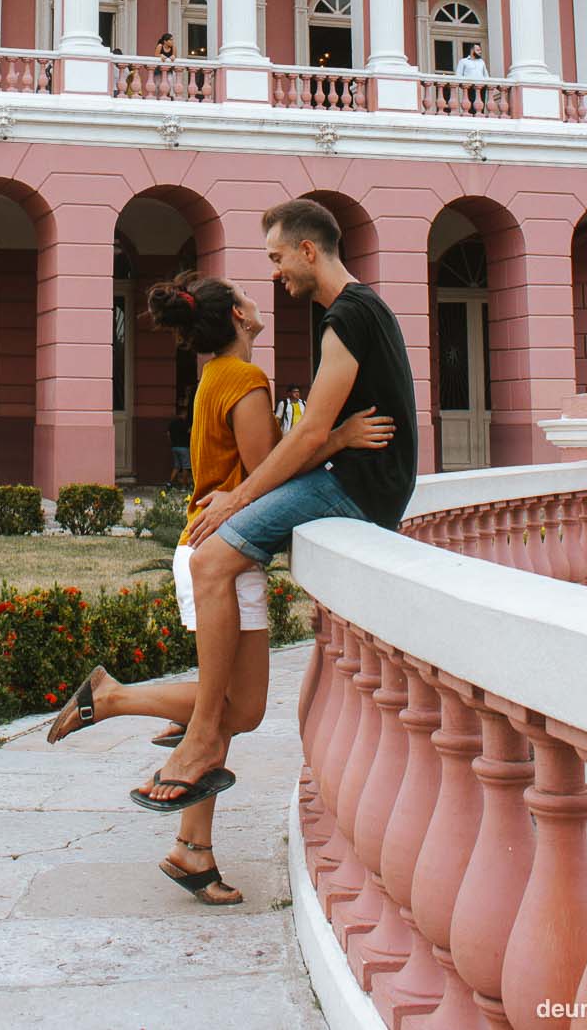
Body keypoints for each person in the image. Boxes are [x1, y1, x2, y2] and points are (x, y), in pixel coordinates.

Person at [45, 270, 390, 898]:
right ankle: (114, 698)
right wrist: (335, 436)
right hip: (221, 556)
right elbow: (267, 474)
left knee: (224, 711)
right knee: (239, 709)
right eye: (248, 295)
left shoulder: (214, 378)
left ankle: (192, 850)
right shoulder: (245, 380)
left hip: (204, 545)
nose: (262, 295)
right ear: (238, 314)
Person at [133, 197, 418, 810]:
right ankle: (203, 738)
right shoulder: (359, 309)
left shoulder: (346, 315)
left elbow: (311, 434)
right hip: (359, 477)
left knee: (210, 559)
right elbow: (318, 433)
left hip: (355, 487)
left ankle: (206, 736)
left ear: (309, 250)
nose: (276, 271)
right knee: (215, 557)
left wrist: (237, 496)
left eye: (278, 256)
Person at [455, 40, 490, 114]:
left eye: (480, 50)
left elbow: (486, 75)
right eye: (478, 50)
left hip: (481, 88)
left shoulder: (481, 62)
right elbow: (458, 75)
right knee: (470, 108)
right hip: (469, 88)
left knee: (480, 109)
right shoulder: (463, 61)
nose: (480, 52)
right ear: (472, 50)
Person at [168, 405, 191, 487]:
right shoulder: (185, 423)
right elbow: (190, 432)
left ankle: (169, 483)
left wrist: (173, 443)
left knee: (176, 466)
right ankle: (184, 486)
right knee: (186, 467)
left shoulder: (172, 423)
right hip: (184, 447)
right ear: (183, 413)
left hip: (174, 447)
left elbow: (168, 434)